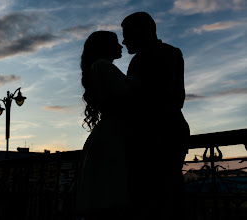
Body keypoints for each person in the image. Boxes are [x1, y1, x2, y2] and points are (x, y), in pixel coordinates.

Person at [121, 12, 190, 219]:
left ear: (142, 32)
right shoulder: (173, 52)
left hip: (150, 137)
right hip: (174, 130)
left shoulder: (140, 60)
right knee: (169, 195)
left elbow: (133, 102)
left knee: (150, 199)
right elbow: (179, 97)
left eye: (127, 35)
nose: (124, 41)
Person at [76, 31, 130, 220]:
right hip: (113, 136)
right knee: (112, 198)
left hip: (108, 133)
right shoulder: (102, 66)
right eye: (115, 42)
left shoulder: (97, 68)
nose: (121, 46)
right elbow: (129, 97)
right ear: (104, 47)